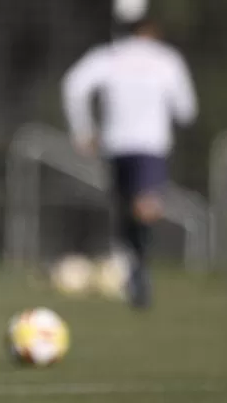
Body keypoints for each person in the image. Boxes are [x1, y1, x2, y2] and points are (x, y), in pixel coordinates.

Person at [61, 16, 196, 309]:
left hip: (116, 144)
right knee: (144, 206)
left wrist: (83, 130)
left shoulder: (108, 56)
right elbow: (186, 109)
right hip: (151, 144)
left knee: (125, 209)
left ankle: (134, 268)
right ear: (152, 32)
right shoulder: (167, 59)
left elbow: (73, 86)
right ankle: (139, 265)